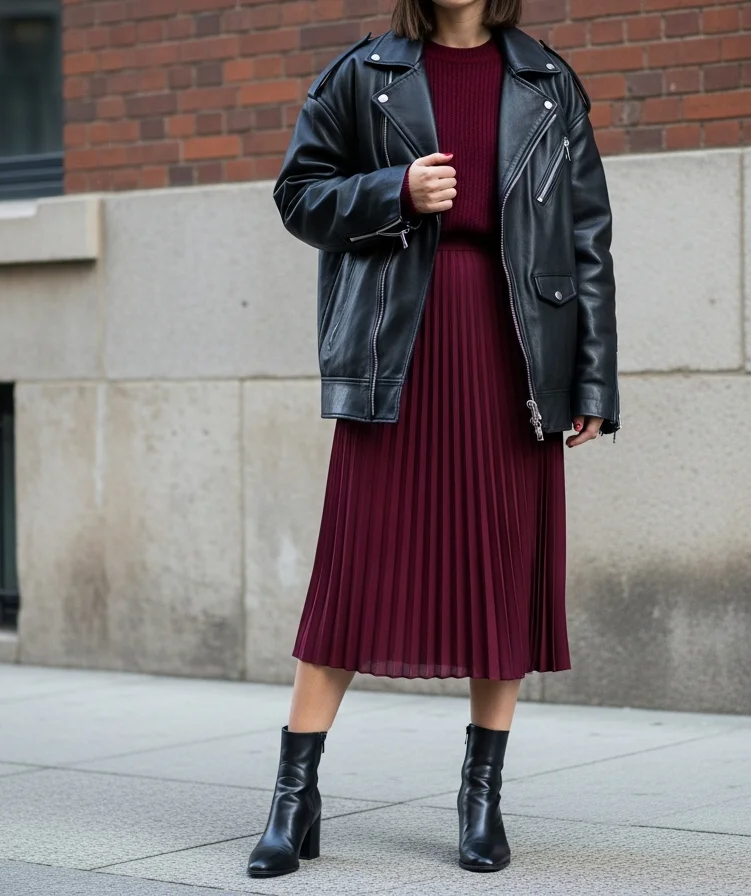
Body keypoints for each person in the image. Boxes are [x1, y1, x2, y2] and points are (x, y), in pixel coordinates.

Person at [250, 0, 618, 878]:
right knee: (355, 566)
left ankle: (480, 797)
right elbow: (297, 197)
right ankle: (293, 799)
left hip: (514, 348)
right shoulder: (363, 74)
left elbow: (588, 236)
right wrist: (395, 192)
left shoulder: (547, 80)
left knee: (500, 562)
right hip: (396, 350)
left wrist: (592, 379)